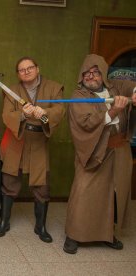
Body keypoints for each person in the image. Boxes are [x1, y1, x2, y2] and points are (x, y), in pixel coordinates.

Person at [64, 54, 136, 254]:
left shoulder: (116, 87)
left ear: (103, 74)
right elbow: (86, 122)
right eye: (86, 73)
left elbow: (132, 88)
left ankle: (107, 233)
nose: (91, 76)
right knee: (83, 192)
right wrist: (114, 110)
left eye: (95, 72)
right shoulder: (78, 96)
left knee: (114, 193)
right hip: (94, 151)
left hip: (120, 150)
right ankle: (73, 235)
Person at [0, 57, 65, 243]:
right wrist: (22, 114)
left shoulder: (54, 87)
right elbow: (6, 115)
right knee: (9, 181)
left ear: (37, 68)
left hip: (39, 140)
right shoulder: (12, 91)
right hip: (17, 139)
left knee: (41, 185)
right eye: (21, 70)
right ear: (18, 74)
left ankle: (40, 226)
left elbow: (59, 110)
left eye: (29, 68)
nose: (26, 72)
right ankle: (5, 222)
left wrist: (45, 113)